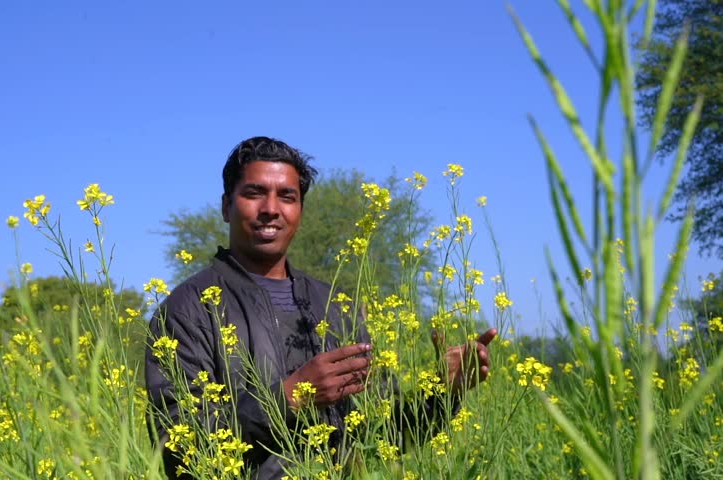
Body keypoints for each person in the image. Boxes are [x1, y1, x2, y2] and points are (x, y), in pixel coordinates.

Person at [145, 136, 497, 479]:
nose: (271, 209)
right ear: (226, 206)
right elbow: (177, 444)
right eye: (254, 193)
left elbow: (383, 436)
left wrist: (442, 392)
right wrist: (289, 400)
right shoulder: (188, 309)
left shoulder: (336, 307)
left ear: (300, 210)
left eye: (287, 196)